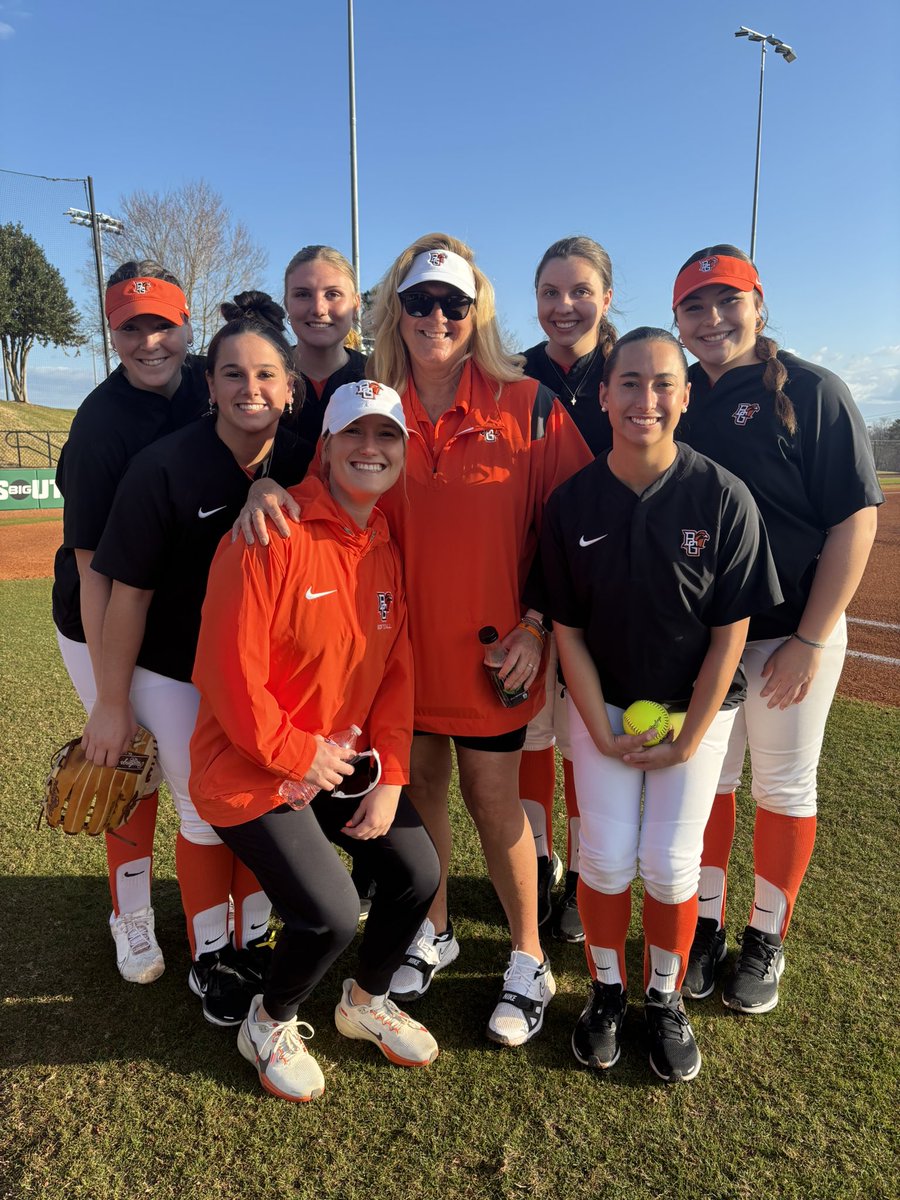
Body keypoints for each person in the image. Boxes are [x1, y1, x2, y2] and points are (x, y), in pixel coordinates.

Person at [536, 327, 781, 1080]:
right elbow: (568, 634)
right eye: (630, 382)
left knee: (672, 867)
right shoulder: (571, 501)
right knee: (605, 859)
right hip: (601, 707)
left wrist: (689, 737)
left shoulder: (723, 496)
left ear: (686, 394)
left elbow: (730, 637)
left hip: (696, 712)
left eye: (663, 382)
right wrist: (600, 732)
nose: (647, 398)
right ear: (604, 396)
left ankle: (665, 998)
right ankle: (607, 994)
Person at [366, 233, 592, 1046]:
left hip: (493, 653)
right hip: (398, 655)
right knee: (421, 792)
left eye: (453, 303)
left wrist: (537, 622)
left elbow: (576, 527)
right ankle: (433, 931)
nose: (436, 316)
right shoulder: (370, 405)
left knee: (495, 803)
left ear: (477, 312)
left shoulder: (527, 403)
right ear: (397, 310)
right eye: (420, 301)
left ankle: (529, 957)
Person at [189, 379, 441, 1103]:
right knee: (330, 913)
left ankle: (365, 1001)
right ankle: (268, 1021)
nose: (370, 448)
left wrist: (392, 776)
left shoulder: (383, 541)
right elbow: (227, 673)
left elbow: (395, 673)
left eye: (386, 435)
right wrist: (299, 754)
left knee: (418, 872)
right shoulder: (271, 532)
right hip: (248, 764)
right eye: (353, 433)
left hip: (336, 759)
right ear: (325, 447)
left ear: (402, 452)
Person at [84, 292, 314, 1026]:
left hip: (263, 672)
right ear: (208, 383)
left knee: (266, 802)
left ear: (290, 387)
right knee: (210, 812)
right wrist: (111, 701)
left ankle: (253, 937)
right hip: (175, 669)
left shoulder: (303, 457)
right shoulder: (163, 466)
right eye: (233, 374)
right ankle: (210, 953)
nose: (251, 389)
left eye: (266, 375)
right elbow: (128, 596)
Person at [671, 247, 882, 1013]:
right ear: (678, 320)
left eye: (728, 301)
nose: (713, 318)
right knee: (709, 786)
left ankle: (766, 934)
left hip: (792, 631)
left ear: (758, 305)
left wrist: (812, 640)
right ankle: (705, 924)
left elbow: (854, 519)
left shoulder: (812, 389)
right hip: (707, 639)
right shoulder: (676, 394)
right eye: (695, 306)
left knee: (785, 785)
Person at [53, 261, 207, 985]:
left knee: (199, 772)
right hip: (100, 615)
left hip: (179, 614)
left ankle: (220, 913)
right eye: (130, 328)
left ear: (188, 324)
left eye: (163, 325)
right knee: (126, 767)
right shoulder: (99, 427)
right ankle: (132, 914)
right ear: (111, 333)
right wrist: (110, 701)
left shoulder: (210, 382)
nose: (150, 342)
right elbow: (94, 574)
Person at [518, 236, 618, 942]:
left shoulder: (630, 369)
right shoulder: (512, 374)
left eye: (580, 290)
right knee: (528, 737)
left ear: (606, 298)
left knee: (584, 741)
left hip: (602, 595)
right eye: (550, 292)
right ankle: (536, 865)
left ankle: (583, 875)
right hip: (521, 590)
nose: (565, 305)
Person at [283, 244, 368, 446]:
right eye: (303, 294)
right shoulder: (262, 379)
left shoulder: (381, 378)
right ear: (286, 303)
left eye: (333, 294)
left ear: (356, 304)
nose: (318, 309)